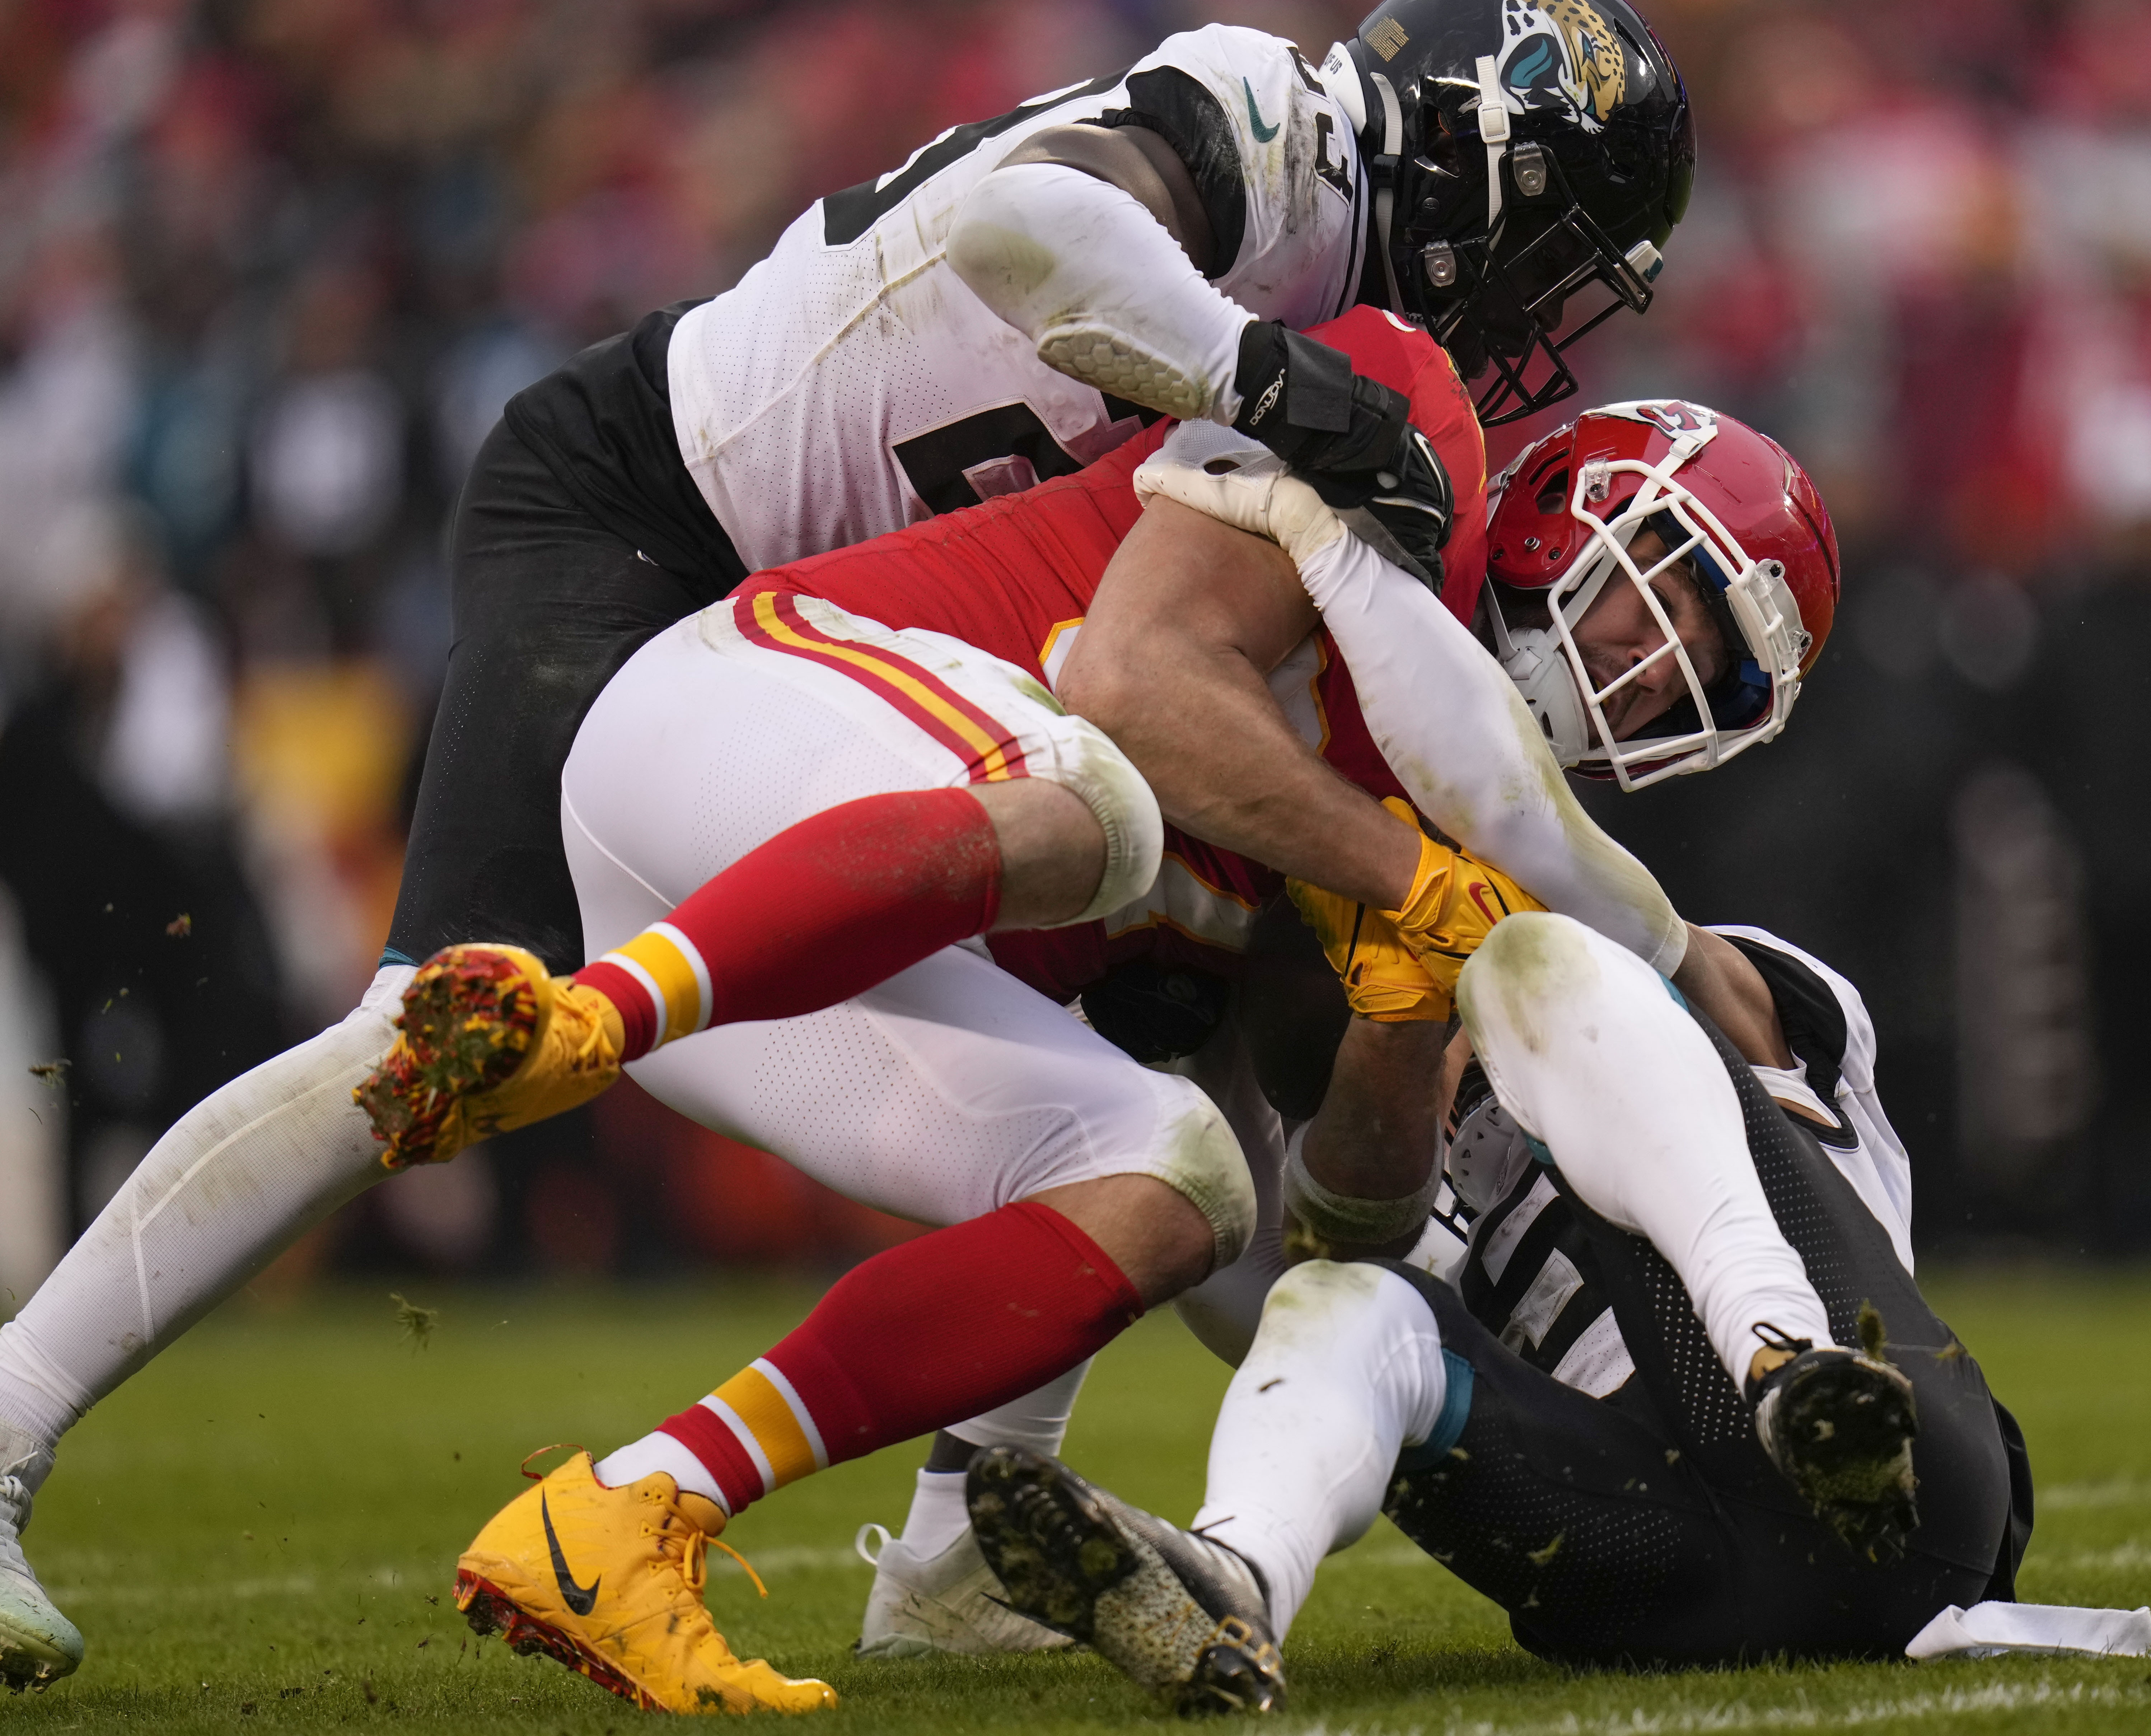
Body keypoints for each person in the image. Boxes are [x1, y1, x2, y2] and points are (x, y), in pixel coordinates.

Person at [0, 0, 1697, 1690]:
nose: (1529, 315)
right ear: (1497, 154)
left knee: (1147, 1037)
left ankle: (975, 1525)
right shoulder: (1285, 134)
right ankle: (6, 1422)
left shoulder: (1346, 290)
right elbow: (1027, 234)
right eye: (1556, 256)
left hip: (850, 629)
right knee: (440, 1024)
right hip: (654, 519)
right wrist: (1266, 381)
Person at [395, 357, 1836, 1713]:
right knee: (1102, 809)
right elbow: (1133, 688)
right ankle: (580, 1016)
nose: (1651, 673)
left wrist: (1398, 1020)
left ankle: (641, 1507)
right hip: (762, 729)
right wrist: (1408, 881)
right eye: (1666, 598)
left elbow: (1328, 1228)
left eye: (1704, 675)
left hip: (855, 938)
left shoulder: (1467, 838)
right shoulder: (1389, 450)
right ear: (1568, 510)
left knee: (1175, 1179)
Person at [967, 909, 2030, 1714]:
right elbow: (1223, 1206)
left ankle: (1781, 1353)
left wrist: (1470, 898)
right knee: (1340, 1295)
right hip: (1666, 1571)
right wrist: (1196, 1018)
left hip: (1900, 1488)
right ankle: (1233, 1577)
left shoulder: (1629, 980)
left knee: (1548, 958)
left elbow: (1629, 947)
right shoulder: (1334, 1193)